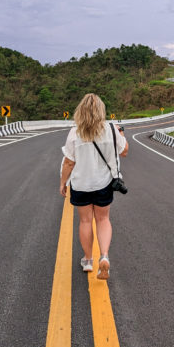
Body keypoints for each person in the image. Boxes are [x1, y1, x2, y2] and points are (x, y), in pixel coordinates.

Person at [60, 93, 128, 280]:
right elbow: (125, 151)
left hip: (81, 184)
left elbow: (68, 163)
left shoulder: (75, 132)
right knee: (103, 219)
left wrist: (63, 183)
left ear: (80, 111)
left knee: (85, 222)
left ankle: (88, 260)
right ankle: (104, 256)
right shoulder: (112, 129)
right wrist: (121, 133)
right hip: (104, 183)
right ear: (101, 110)